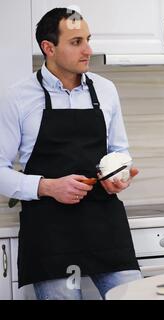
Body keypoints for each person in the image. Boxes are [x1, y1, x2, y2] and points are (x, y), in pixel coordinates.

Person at [0, 8, 142, 300]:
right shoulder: (18, 97)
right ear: (48, 48)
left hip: (105, 224)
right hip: (50, 232)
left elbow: (119, 151)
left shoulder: (106, 90)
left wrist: (118, 175)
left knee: (135, 296)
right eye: (76, 42)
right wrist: (48, 186)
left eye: (88, 39)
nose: (88, 50)